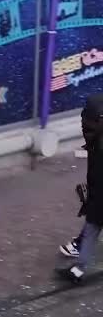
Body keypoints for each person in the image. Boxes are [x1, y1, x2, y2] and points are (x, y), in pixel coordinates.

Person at [61, 94, 103, 283]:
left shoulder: (95, 140)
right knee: (92, 227)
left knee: (92, 227)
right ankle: (78, 269)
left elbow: (96, 174)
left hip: (99, 197)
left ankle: (78, 270)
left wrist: (90, 197)